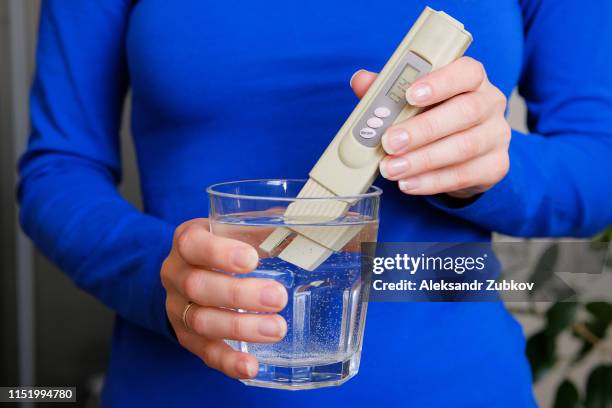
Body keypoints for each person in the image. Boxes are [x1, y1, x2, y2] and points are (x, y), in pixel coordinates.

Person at [18, 0, 612, 406]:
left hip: (455, 384)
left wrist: (489, 168)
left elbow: (598, 163)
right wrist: (162, 275)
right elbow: (58, 169)